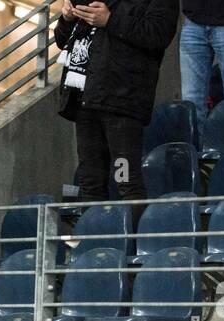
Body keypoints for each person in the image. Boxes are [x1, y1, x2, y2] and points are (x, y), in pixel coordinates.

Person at [55, 0, 179, 205]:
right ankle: (95, 237)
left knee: (126, 181)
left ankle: (131, 237)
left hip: (122, 103)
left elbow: (158, 35)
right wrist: (67, 19)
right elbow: (62, 41)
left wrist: (110, 20)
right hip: (86, 100)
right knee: (90, 184)